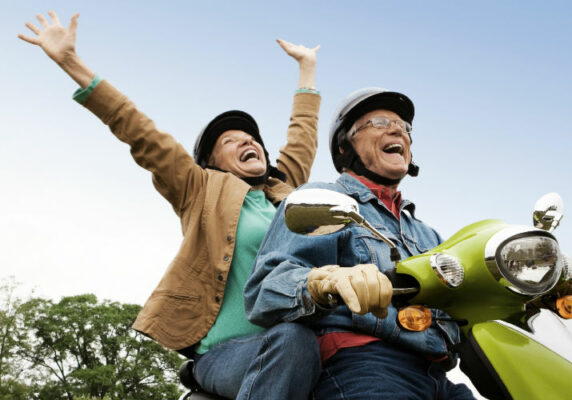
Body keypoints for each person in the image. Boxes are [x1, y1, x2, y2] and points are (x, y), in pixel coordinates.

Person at [19, 11, 322, 400]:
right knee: (294, 340)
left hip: (294, 347)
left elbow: (303, 137)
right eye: (231, 141)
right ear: (211, 162)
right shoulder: (198, 187)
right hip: (228, 353)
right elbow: (139, 130)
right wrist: (71, 63)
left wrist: (307, 69)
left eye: (251, 137)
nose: (248, 142)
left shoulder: (285, 193)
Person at [244, 88, 477, 399]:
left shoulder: (429, 236)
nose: (398, 129)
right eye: (379, 122)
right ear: (344, 146)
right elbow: (265, 290)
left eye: (404, 127)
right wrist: (323, 281)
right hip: (363, 362)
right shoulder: (323, 200)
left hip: (438, 376)